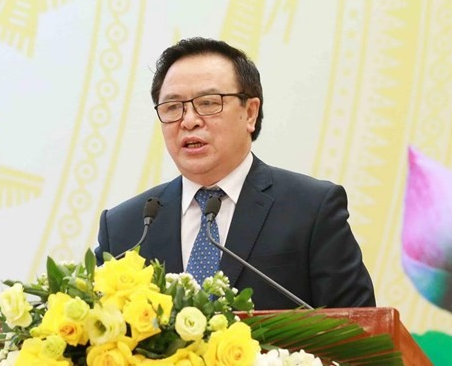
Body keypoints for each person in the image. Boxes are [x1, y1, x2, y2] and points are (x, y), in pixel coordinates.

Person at [95, 37, 375, 310]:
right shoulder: (126, 228)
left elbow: (360, 334)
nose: (189, 121)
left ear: (251, 113)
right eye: (172, 107)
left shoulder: (311, 210)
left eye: (208, 103)